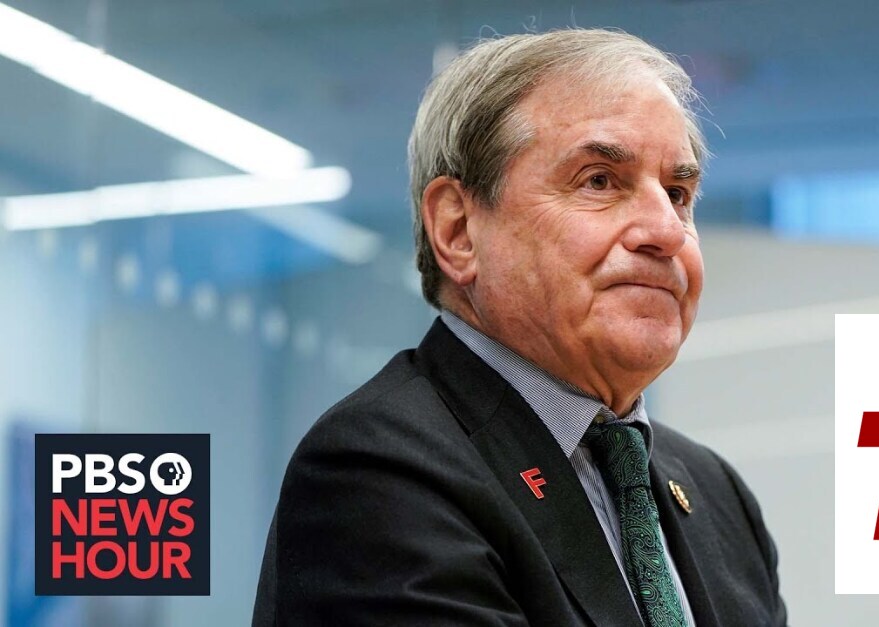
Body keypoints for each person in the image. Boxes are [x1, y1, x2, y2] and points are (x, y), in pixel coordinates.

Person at [253, 28, 787, 627]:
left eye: (678, 193)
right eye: (599, 181)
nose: (665, 231)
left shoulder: (718, 494)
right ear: (458, 231)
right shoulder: (379, 470)